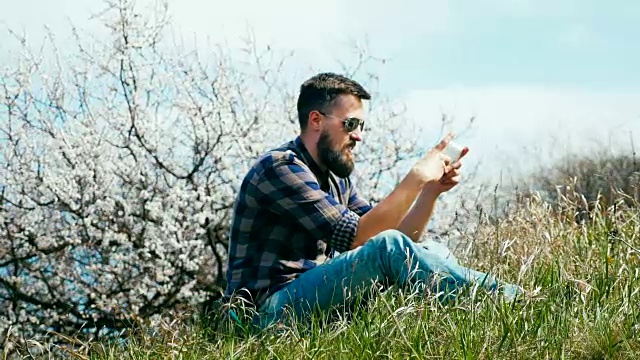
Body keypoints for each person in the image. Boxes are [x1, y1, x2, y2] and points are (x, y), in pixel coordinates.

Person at [223, 72, 522, 330]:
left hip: (306, 297)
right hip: (265, 312)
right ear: (316, 120)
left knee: (431, 250)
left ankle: (481, 309)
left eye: (362, 126)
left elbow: (401, 242)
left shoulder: (337, 179)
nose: (359, 136)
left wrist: (429, 191)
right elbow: (361, 238)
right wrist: (416, 176)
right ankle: (508, 303)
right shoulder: (281, 168)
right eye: (351, 124)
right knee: (390, 248)